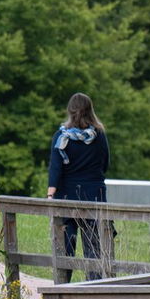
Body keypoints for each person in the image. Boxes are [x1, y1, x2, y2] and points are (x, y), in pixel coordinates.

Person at [46, 92, 111, 282]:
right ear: (91, 110)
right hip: (94, 194)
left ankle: (62, 290)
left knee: (65, 247)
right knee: (93, 248)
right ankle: (95, 295)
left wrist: (51, 194)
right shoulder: (98, 135)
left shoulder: (61, 136)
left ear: (70, 111)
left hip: (67, 196)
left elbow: (55, 169)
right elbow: (105, 164)